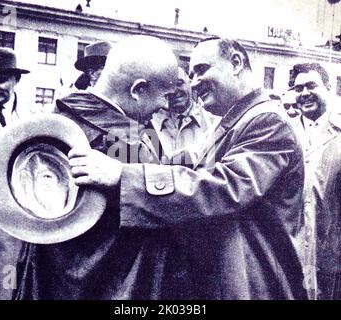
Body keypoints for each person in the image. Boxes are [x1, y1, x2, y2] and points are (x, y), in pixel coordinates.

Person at [62, 37, 308, 299]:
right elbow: (189, 162)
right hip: (235, 280)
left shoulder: (267, 121)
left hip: (256, 283)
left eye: (202, 70)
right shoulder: (236, 120)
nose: (193, 83)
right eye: (191, 74)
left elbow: (225, 186)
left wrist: (122, 176)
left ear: (236, 62)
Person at [13, 35, 181, 300]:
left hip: (46, 278)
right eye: (164, 96)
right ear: (137, 90)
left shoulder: (54, 119)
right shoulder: (127, 139)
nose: (165, 106)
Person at [289, 62, 341, 299]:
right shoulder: (285, 133)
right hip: (293, 249)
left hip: (332, 252)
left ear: (329, 88)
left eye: (311, 85)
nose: (304, 93)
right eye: (298, 89)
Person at [0, 46, 30, 299]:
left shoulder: (30, 120)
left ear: (16, 80)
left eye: (1, 79)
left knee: (10, 288)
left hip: (18, 231)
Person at [150, 67, 221, 163]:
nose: (174, 91)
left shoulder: (215, 124)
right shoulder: (149, 125)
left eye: (179, 83)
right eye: (167, 87)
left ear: (190, 82)